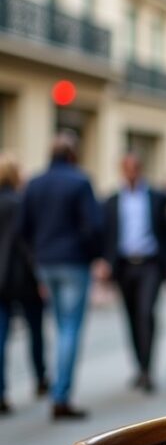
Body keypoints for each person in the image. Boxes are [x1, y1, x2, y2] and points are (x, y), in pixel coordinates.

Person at [21, 131, 101, 420]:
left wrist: (36, 258)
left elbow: (24, 229)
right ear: (72, 154)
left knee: (58, 325)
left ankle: (57, 387)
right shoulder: (80, 182)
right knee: (69, 328)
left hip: (45, 263)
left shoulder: (34, 183)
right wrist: (92, 256)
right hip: (73, 263)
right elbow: (93, 226)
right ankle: (61, 396)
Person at [101, 152, 166, 393]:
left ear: (140, 169)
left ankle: (148, 370)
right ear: (122, 170)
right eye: (127, 168)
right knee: (131, 317)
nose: (131, 172)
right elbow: (106, 234)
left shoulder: (157, 197)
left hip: (150, 264)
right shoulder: (111, 201)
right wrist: (104, 263)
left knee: (146, 313)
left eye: (135, 168)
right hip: (124, 266)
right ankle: (139, 367)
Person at [0, 154, 48, 413]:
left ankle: (1, 392)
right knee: (35, 329)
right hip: (22, 278)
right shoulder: (19, 203)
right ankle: (40, 378)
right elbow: (28, 243)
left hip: (1, 281)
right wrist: (39, 276)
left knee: (1, 336)